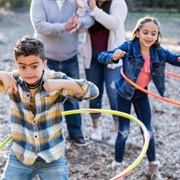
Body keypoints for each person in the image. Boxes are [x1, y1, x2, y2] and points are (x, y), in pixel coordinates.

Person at [0, 36, 99, 180]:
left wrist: (63, 84)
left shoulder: (55, 79)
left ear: (44, 63)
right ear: (17, 65)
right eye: (22, 67)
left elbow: (93, 92)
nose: (28, 72)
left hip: (52, 156)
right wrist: (2, 74)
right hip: (21, 155)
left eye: (34, 66)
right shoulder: (12, 81)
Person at [98, 16, 180, 179]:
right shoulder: (128, 47)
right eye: (145, 32)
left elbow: (175, 59)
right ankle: (118, 167)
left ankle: (152, 167)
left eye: (153, 33)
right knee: (124, 131)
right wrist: (114, 56)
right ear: (137, 33)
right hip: (124, 92)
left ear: (157, 36)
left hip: (141, 93)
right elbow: (102, 56)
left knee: (148, 130)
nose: (149, 37)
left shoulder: (159, 51)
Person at [30, 0, 95, 146]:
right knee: (45, 99)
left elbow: (90, 17)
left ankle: (76, 134)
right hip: (45, 59)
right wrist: (64, 27)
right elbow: (39, 25)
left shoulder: (77, 1)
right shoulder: (39, 1)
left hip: (69, 57)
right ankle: (46, 138)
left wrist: (79, 23)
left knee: (72, 97)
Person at [80, 0, 127, 146]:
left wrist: (94, 10)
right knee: (93, 92)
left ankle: (117, 131)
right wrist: (81, 11)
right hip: (92, 55)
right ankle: (96, 128)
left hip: (113, 56)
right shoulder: (87, 3)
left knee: (114, 94)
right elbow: (81, 28)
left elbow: (114, 23)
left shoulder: (118, 3)